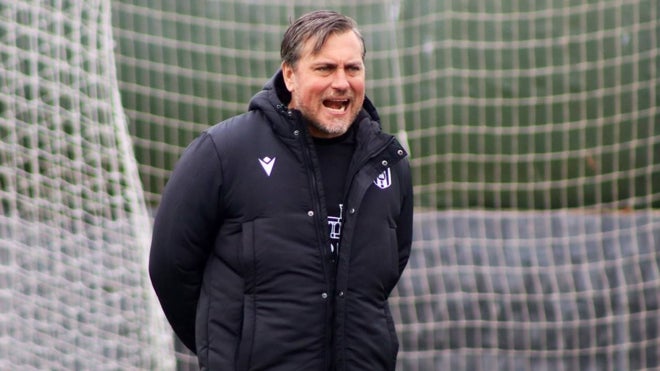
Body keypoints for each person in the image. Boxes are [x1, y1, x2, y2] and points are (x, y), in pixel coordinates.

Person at [149, 10, 414, 371]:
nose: (342, 82)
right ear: (290, 75)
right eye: (325, 69)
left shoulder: (388, 162)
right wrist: (228, 350)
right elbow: (170, 266)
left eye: (352, 68)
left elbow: (391, 267)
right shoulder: (224, 151)